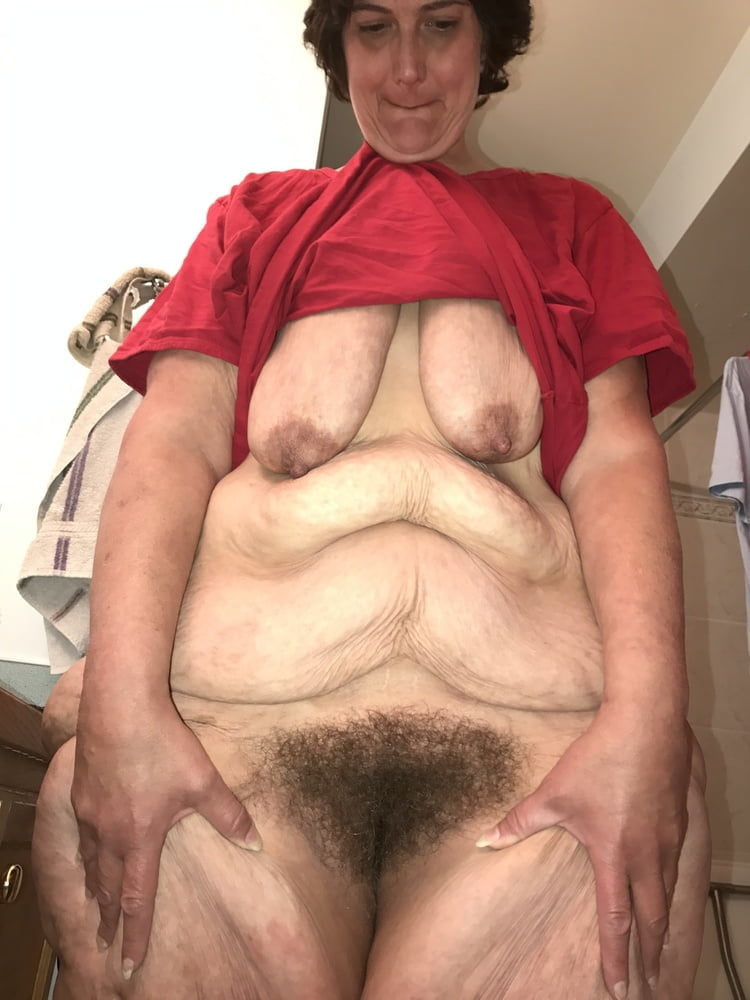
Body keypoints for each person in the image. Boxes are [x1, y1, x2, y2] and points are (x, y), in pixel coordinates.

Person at [33, 1, 710, 998]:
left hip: (531, 768)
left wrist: (648, 723)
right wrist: (125, 704)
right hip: (237, 754)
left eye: (440, 26)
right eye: (375, 29)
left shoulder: (576, 222)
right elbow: (171, 440)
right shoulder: (253, 217)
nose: (406, 71)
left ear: (486, 41)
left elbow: (615, 460)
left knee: (664, 807)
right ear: (337, 42)